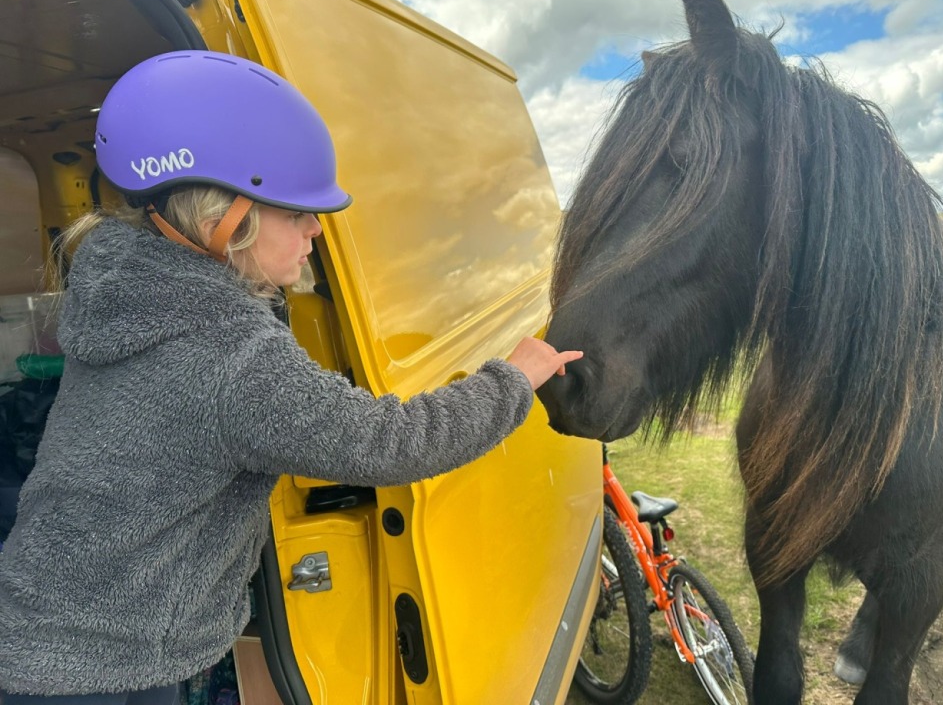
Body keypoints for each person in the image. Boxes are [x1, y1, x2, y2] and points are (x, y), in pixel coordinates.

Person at [0, 51, 582, 703]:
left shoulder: (119, 296)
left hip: (33, 627)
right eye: (294, 210)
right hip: (105, 672)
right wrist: (513, 377)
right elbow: (394, 441)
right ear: (224, 215)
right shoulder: (232, 356)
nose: (315, 228)